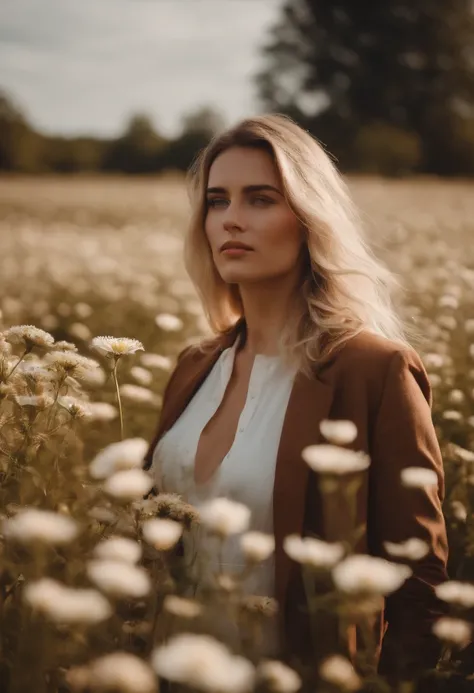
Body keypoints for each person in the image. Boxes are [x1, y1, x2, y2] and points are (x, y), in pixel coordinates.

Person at [142, 113, 449, 683]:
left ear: (310, 219)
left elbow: (419, 579)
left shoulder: (372, 370)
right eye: (217, 201)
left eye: (260, 199)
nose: (231, 220)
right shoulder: (193, 367)